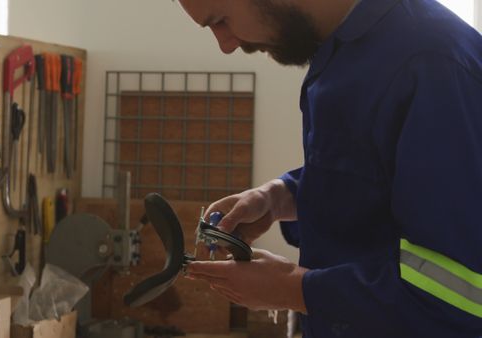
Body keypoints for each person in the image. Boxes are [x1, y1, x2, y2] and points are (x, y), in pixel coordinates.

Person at [179, 0, 482, 337]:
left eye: (221, 21)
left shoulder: (433, 61)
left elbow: (464, 291)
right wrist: (280, 196)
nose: (225, 44)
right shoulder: (344, 48)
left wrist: (292, 289)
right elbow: (374, 173)